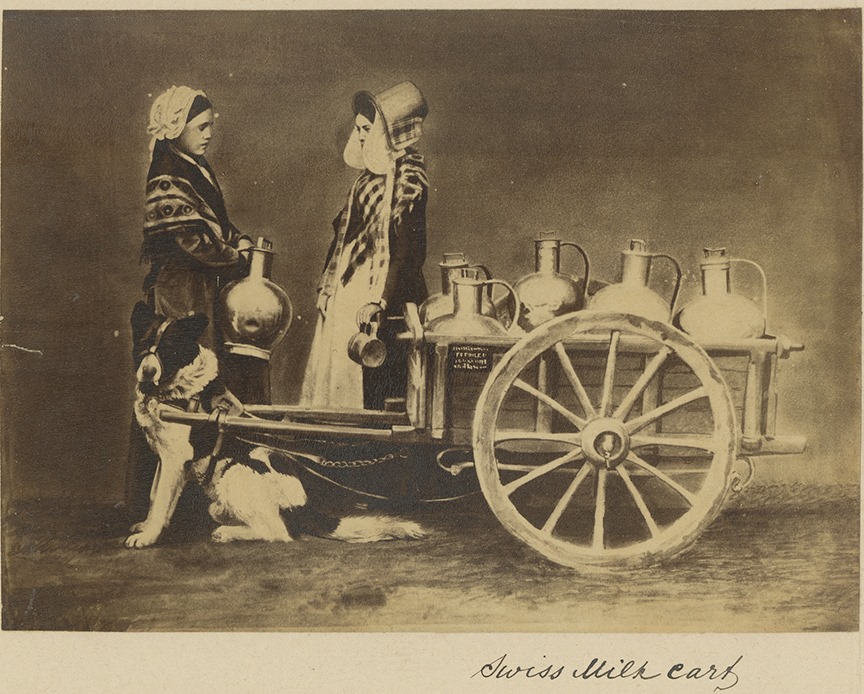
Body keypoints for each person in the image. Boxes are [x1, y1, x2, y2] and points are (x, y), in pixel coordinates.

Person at [126, 85, 262, 518]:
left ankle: (193, 496)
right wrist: (235, 257)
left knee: (199, 379)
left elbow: (214, 223)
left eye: (210, 127)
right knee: (172, 383)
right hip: (177, 288)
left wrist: (238, 238)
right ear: (176, 127)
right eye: (201, 126)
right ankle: (154, 502)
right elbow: (189, 239)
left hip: (198, 287)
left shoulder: (193, 165)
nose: (208, 134)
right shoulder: (166, 171)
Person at [300, 81, 430, 411]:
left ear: (386, 132)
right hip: (349, 283)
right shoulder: (365, 180)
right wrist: (326, 285)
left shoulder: (409, 179)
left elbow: (405, 250)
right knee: (340, 359)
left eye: (366, 129)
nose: (359, 135)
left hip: (391, 288)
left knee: (380, 369)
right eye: (357, 128)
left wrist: (379, 300)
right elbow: (342, 236)